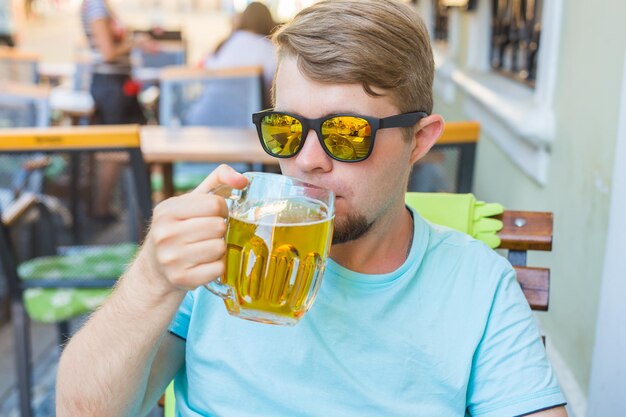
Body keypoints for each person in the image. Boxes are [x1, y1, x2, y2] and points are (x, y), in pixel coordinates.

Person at [56, 1, 568, 416]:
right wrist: (151, 277)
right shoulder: (222, 256)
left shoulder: (477, 287)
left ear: (419, 140)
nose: (307, 162)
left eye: (346, 135)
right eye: (286, 129)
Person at [80, 0, 154, 220]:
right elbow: (108, 53)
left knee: (122, 147)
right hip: (111, 85)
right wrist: (136, 42)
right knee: (114, 150)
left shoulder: (100, 5)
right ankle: (104, 211)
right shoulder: (95, 7)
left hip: (116, 84)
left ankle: (131, 210)